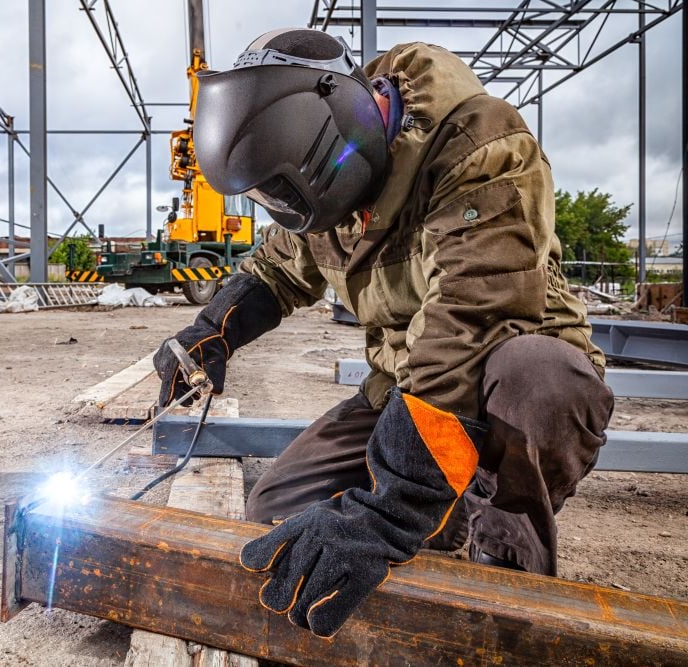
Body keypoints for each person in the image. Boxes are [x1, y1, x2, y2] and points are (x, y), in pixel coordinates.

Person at [153, 29, 613, 639]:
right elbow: (277, 269)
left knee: (539, 376)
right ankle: (440, 511)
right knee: (277, 514)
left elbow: (472, 318)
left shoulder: (478, 142)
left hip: (499, 377)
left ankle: (503, 558)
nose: (279, 206)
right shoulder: (324, 184)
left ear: (326, 138)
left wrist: (390, 510)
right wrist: (211, 333)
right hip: (406, 382)